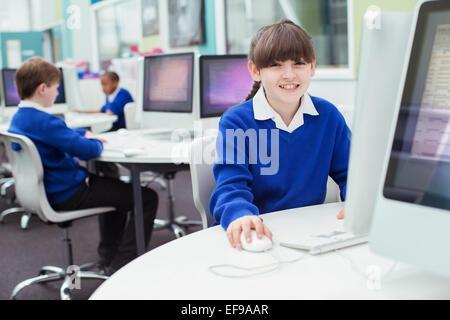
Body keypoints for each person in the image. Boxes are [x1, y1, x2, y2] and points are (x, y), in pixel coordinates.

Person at [8, 57, 158, 274]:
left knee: (115, 189)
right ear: (42, 89)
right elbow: (88, 151)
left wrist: (80, 133)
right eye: (56, 88)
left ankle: (108, 257)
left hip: (45, 191)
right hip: (69, 193)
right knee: (146, 197)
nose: (57, 92)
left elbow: (58, 135)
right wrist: (95, 140)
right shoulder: (46, 121)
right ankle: (124, 265)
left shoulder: (21, 119)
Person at [209, 19, 351, 249]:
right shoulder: (236, 121)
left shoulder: (328, 116)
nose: (289, 74)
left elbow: (352, 174)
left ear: (312, 67)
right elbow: (230, 186)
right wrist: (241, 215)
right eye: (276, 65)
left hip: (310, 232)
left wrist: (357, 202)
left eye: (299, 63)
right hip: (257, 234)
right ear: (255, 71)